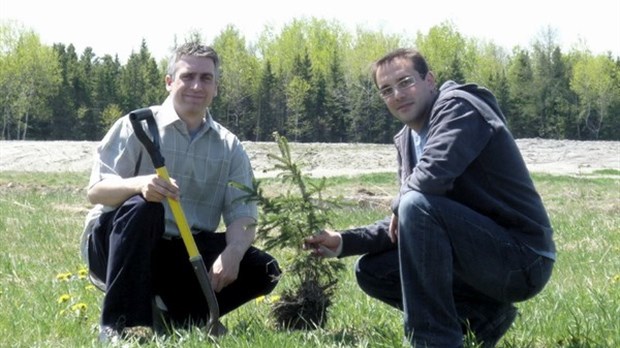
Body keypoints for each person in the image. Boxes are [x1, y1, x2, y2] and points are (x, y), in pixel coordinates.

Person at [304, 48, 555, 347]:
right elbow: (413, 216)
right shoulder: (407, 140)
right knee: (373, 270)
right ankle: (483, 318)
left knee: (413, 203)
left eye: (405, 81)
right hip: (477, 259)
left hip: (522, 259)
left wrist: (404, 203)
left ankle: (432, 341)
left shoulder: (460, 107)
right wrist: (345, 241)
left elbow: (428, 182)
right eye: (386, 90)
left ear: (430, 80)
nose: (397, 94)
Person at [80, 42, 281, 342]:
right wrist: (138, 185)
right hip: (117, 243)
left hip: (183, 252)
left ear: (216, 87)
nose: (197, 86)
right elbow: (96, 191)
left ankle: (174, 318)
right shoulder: (136, 126)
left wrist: (234, 253)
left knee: (263, 269)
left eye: (206, 78)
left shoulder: (229, 147)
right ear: (169, 81)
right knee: (144, 207)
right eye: (187, 76)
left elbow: (243, 214)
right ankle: (122, 327)